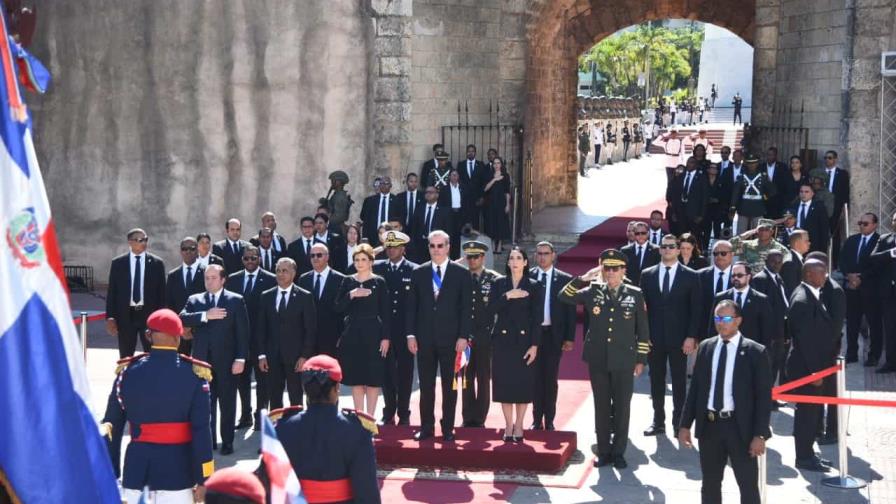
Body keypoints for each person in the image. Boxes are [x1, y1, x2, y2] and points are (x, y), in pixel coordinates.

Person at [101, 309, 214, 504]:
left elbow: (111, 427)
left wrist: (110, 474)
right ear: (178, 338)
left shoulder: (126, 373)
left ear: (148, 335)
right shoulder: (195, 375)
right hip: (178, 474)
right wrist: (205, 478)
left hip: (137, 472)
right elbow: (202, 431)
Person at [559, 250, 649, 469]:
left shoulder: (635, 294)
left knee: (622, 407)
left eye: (615, 268)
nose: (610, 273)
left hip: (624, 359)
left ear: (623, 271)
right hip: (598, 358)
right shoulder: (593, 291)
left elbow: (643, 329)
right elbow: (564, 295)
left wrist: (641, 359)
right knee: (601, 406)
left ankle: (618, 452)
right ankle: (604, 451)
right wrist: (583, 278)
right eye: (607, 268)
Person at [678, 300, 772, 504]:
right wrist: (685, 425)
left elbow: (764, 398)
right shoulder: (706, 347)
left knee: (747, 485)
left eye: (726, 318)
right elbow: (695, 390)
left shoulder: (755, 352)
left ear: (738, 321)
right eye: (717, 318)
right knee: (710, 484)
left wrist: (760, 434)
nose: (721, 323)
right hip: (710, 426)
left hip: (740, 429)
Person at [276, 355, 380, 504]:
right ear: (337, 388)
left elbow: (271, 486)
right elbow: (367, 494)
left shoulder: (283, 428)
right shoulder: (357, 431)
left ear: (305, 389)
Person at [406, 230, 473, 441]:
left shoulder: (461, 273)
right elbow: (412, 307)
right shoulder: (419, 272)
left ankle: (448, 428)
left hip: (452, 341)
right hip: (424, 340)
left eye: (440, 245)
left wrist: (463, 336)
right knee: (426, 386)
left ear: (448, 247)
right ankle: (426, 427)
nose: (436, 250)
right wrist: (410, 335)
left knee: (449, 387)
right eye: (432, 246)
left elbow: (466, 309)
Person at [179, 264, 250, 455]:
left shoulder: (235, 300)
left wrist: (241, 359)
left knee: (227, 403)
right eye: (207, 278)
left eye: (213, 278)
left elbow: (243, 333)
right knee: (205, 404)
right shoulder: (195, 300)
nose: (209, 282)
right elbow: (182, 318)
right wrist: (205, 315)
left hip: (227, 361)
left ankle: (227, 441)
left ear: (223, 279)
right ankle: (208, 442)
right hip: (202, 362)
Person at [640, 234, 702, 435]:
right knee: (656, 381)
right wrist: (643, 335)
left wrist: (691, 336)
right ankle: (658, 421)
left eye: (671, 246)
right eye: (664, 246)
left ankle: (679, 423)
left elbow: (696, 310)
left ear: (678, 249)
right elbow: (642, 309)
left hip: (680, 339)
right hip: (654, 338)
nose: (667, 249)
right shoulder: (647, 274)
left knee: (679, 382)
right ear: (660, 249)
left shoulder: (691, 275)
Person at [786, 259, 839, 471]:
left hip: (814, 366)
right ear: (809, 275)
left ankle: (808, 452)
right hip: (807, 368)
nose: (826, 276)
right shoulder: (803, 300)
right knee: (806, 415)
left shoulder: (812, 293)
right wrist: (815, 372)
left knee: (812, 413)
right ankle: (804, 457)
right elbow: (806, 342)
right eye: (822, 273)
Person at [488, 246, 542, 442]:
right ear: (508, 262)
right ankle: (508, 424)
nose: (515, 261)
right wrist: (508, 296)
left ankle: (519, 424)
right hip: (502, 341)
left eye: (519, 258)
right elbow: (490, 310)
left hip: (524, 342)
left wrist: (535, 345)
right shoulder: (498, 283)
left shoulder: (534, 285)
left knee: (522, 385)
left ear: (526, 262)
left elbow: (537, 318)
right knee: (504, 385)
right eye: (512, 258)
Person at [334, 244, 390, 416]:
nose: (359, 263)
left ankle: (370, 418)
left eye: (363, 259)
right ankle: (359, 417)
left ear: (371, 261)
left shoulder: (379, 282)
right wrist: (352, 294)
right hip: (353, 333)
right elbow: (338, 307)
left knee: (373, 379)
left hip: (374, 333)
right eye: (357, 260)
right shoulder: (348, 281)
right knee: (356, 379)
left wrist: (386, 337)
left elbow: (386, 312)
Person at [225, 245, 277, 429]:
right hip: (239, 339)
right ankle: (245, 415)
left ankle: (260, 416)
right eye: (246, 258)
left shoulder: (271, 279)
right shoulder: (233, 279)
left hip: (261, 338)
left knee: (263, 381)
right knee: (242, 379)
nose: (250, 261)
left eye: (253, 258)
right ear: (242, 260)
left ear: (259, 259)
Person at [257, 257, 316, 410]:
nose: (280, 274)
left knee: (296, 396)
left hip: (295, 357)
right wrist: (262, 355)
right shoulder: (266, 296)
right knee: (274, 396)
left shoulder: (305, 296)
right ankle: (276, 424)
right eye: (278, 271)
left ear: (294, 273)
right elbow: (261, 328)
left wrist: (304, 356)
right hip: (272, 356)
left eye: (285, 271)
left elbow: (310, 329)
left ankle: (296, 423)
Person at [529, 242, 576, 431]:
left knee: (550, 378)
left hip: (553, 335)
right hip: (533, 335)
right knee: (534, 379)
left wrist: (569, 337)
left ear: (553, 255)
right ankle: (536, 419)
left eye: (546, 253)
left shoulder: (565, 279)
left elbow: (570, 311)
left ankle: (549, 419)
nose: (542, 257)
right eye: (539, 253)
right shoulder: (527, 276)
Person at [374, 231, 419, 426]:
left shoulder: (414, 270)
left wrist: (414, 332)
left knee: (405, 373)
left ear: (403, 248)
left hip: (405, 330)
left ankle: (404, 412)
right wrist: (371, 253)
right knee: (386, 372)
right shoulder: (378, 268)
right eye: (388, 247)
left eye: (395, 247)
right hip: (384, 330)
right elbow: (353, 268)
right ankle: (389, 410)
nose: (391, 250)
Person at [105, 228, 167, 357]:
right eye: (139, 240)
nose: (143, 242)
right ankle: (126, 371)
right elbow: (112, 292)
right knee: (126, 355)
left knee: (151, 354)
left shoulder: (157, 263)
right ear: (130, 242)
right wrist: (110, 317)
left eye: (145, 239)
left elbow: (162, 294)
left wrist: (161, 318)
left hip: (149, 315)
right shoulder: (118, 263)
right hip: (126, 315)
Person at [461, 240, 501, 428]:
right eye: (469, 257)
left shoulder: (494, 279)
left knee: (483, 377)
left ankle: (480, 417)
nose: (472, 260)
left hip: (486, 334)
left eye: (475, 257)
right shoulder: (461, 277)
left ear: (483, 257)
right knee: (466, 378)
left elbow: (500, 307)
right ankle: (467, 415)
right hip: (465, 335)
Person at [839, 213, 882, 365]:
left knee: (874, 324)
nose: (862, 226)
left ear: (874, 225)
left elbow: (879, 265)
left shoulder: (880, 241)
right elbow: (842, 260)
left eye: (865, 223)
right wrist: (849, 276)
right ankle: (851, 353)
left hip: (871, 290)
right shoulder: (852, 240)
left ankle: (874, 355)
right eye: (860, 223)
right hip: (852, 289)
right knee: (852, 323)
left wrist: (861, 277)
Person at [750, 250, 790, 404]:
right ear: (766, 261)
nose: (777, 265)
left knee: (775, 367)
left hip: (780, 331)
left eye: (780, 262)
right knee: (766, 369)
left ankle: (771, 397)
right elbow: (759, 309)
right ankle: (764, 400)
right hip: (768, 334)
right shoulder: (760, 279)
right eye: (774, 261)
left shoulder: (778, 278)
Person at [298, 243, 346, 357]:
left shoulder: (341, 279)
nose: (315, 258)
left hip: (332, 337)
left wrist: (342, 336)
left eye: (319, 255)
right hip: (309, 339)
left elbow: (344, 311)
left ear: (327, 257)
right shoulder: (303, 279)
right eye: (312, 255)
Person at [712, 262, 775, 346]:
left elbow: (766, 331)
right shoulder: (721, 297)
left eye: (739, 275)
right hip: (725, 345)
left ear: (748, 277)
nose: (735, 278)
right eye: (733, 275)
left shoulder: (761, 300)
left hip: (751, 348)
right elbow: (713, 326)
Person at [166, 236, 207, 355]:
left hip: (201, 330)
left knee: (200, 364)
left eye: (192, 248)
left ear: (197, 250)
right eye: (185, 249)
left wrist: (192, 328)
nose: (188, 251)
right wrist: (180, 327)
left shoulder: (207, 273)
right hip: (179, 331)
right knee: (181, 364)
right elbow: (170, 304)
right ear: (180, 251)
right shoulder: (173, 275)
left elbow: (210, 301)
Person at [697, 240, 735, 340]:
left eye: (723, 253)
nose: (719, 256)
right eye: (715, 254)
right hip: (704, 333)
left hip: (732, 332)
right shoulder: (699, 276)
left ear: (732, 255)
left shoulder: (740, 276)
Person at [731, 154, 775, 235]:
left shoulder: (763, 176)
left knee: (759, 233)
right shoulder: (741, 176)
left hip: (758, 208)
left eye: (753, 163)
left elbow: (772, 190)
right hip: (743, 208)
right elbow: (736, 193)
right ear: (746, 164)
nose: (751, 165)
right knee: (741, 234)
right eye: (749, 163)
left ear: (757, 163)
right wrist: (733, 206)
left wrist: (764, 197)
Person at [666, 156, 707, 239]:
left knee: (695, 237)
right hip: (680, 213)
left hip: (694, 214)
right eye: (688, 162)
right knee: (681, 236)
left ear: (696, 165)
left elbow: (704, 198)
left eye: (692, 162)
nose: (689, 164)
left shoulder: (702, 178)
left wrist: (701, 215)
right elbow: (675, 196)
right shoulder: (680, 176)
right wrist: (673, 212)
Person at [410, 185, 451, 263]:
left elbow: (448, 230)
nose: (428, 194)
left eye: (431, 192)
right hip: (420, 246)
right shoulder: (419, 208)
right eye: (426, 192)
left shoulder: (444, 211)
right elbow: (414, 228)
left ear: (437, 195)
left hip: (436, 245)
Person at [824, 151, 851, 267]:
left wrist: (845, 209)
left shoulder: (842, 174)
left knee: (835, 235)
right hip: (822, 207)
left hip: (836, 208)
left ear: (835, 159)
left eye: (830, 158)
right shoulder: (820, 173)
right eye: (825, 158)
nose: (827, 160)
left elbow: (845, 192)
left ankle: (834, 262)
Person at [483, 156, 512, 254]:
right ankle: (491, 244)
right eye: (494, 163)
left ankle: (499, 245)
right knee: (491, 223)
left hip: (501, 203)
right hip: (490, 203)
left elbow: (507, 192)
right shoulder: (489, 175)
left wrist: (507, 204)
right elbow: (485, 189)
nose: (496, 165)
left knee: (500, 223)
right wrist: (495, 179)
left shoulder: (505, 176)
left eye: (498, 163)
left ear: (501, 164)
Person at [790, 183, 830, 253]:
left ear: (812, 193)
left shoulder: (819, 207)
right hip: (796, 245)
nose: (803, 194)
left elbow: (824, 229)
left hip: (813, 246)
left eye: (806, 192)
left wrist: (822, 250)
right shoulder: (794, 205)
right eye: (801, 191)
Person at [360, 176, 397, 246]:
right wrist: (365, 238)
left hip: (390, 236)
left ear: (390, 185)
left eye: (386, 183)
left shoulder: (396, 200)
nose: (384, 185)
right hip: (373, 236)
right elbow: (366, 221)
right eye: (382, 183)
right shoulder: (370, 201)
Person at [703, 163, 732, 248]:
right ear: (708, 169)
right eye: (711, 167)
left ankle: (716, 247)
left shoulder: (721, 181)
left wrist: (718, 199)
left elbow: (725, 194)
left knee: (717, 228)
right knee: (706, 229)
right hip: (706, 208)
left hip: (718, 208)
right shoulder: (703, 180)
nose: (713, 169)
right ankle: (705, 248)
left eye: (715, 168)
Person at [459, 144, 486, 228]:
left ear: (475, 153)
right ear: (466, 152)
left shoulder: (481, 164)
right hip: (464, 198)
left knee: (475, 220)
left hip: (476, 198)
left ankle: (475, 235)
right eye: (469, 151)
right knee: (464, 219)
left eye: (472, 151)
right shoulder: (461, 164)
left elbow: (483, 182)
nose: (470, 153)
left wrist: (482, 197)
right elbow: (459, 181)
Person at [781, 229, 810, 295]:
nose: (809, 243)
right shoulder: (790, 263)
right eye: (806, 241)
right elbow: (791, 291)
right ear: (797, 244)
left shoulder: (799, 259)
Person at [761, 147, 788, 219]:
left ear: (776, 156)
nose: (769, 157)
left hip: (778, 200)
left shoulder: (783, 167)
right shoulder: (761, 167)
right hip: (764, 200)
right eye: (768, 155)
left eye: (771, 155)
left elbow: (785, 183)